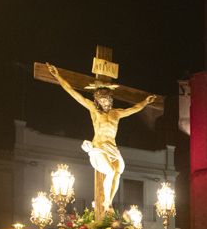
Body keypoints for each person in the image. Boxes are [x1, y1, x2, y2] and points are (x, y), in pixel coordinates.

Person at [46, 63, 158, 212]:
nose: (104, 102)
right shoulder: (94, 110)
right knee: (111, 172)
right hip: (99, 147)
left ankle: (109, 201)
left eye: (106, 100)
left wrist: (145, 102)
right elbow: (73, 93)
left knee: (117, 172)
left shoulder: (116, 113)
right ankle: (107, 203)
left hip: (112, 148)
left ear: (110, 100)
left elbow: (134, 109)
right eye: (101, 100)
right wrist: (57, 75)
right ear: (97, 100)